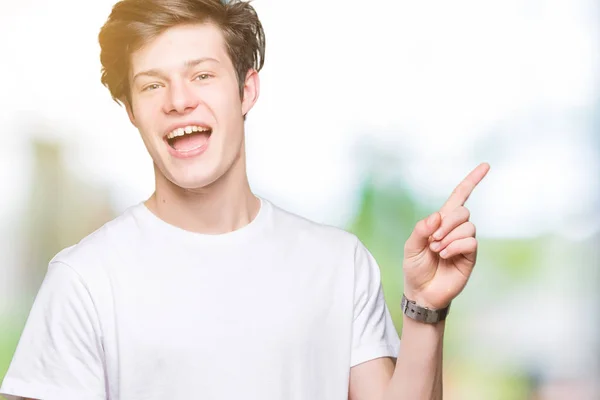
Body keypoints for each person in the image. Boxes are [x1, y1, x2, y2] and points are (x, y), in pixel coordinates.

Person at [0, 1, 490, 399]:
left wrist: (424, 309)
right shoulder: (85, 281)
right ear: (131, 111)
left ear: (246, 89)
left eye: (202, 75)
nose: (178, 100)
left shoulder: (340, 264)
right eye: (153, 85)